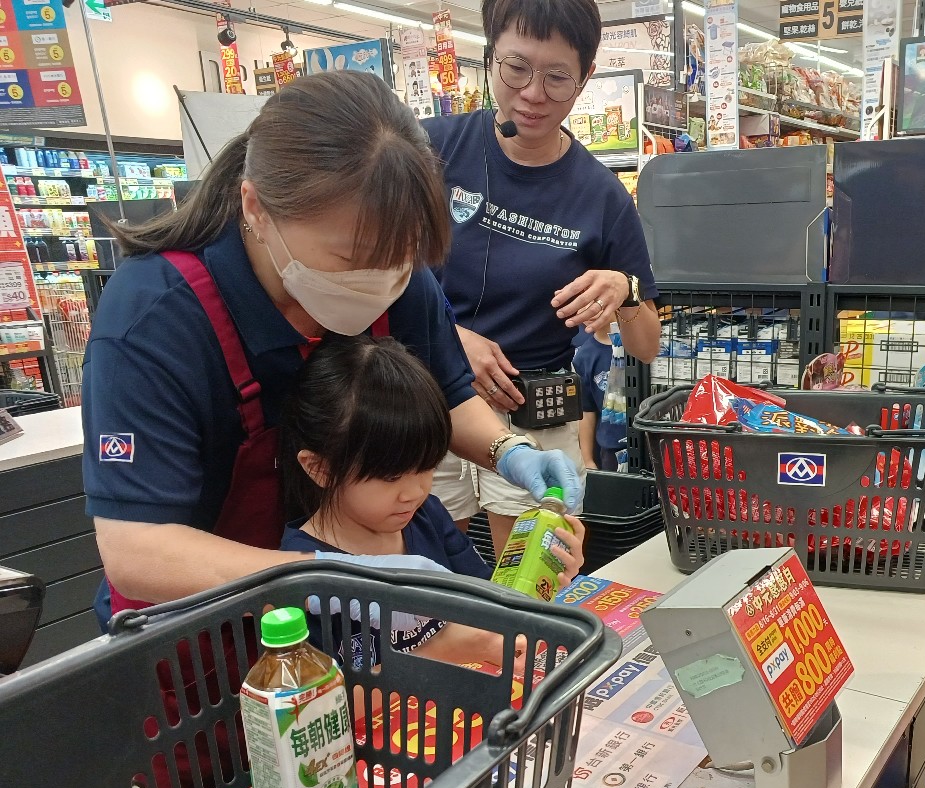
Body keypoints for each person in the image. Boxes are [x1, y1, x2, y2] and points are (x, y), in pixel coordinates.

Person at [80, 72, 580, 625]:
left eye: (402, 258)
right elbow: (137, 550)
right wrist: (330, 577)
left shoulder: (396, 276)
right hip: (198, 629)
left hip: (337, 630)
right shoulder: (156, 318)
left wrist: (510, 452)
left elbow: (449, 394)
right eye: (351, 259)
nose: (381, 281)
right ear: (256, 208)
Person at [422, 0, 662, 549]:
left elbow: (647, 345)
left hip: (536, 410)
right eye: (516, 68)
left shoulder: (601, 194)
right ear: (489, 57)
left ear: (586, 77)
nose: (533, 94)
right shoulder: (430, 150)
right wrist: (448, 337)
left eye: (557, 77)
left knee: (532, 576)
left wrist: (625, 290)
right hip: (426, 394)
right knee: (425, 572)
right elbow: (372, 269)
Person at [278, 336, 585, 665]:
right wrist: (443, 651)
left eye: (427, 468)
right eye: (390, 477)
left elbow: (492, 606)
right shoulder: (299, 576)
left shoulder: (427, 516)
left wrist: (543, 575)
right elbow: (322, 692)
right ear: (320, 469)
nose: (414, 492)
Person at [573, 323, 622, 472]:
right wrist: (587, 459)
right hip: (611, 447)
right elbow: (586, 411)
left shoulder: (639, 345)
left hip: (651, 438)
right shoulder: (584, 356)